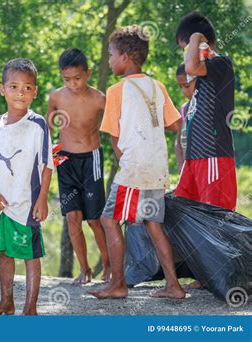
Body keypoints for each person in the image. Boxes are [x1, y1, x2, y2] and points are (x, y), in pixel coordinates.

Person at [90, 25, 185, 299]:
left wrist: (127, 165)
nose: (109, 60)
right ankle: (173, 285)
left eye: (111, 54)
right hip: (157, 169)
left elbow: (113, 137)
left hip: (134, 170)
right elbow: (176, 125)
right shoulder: (158, 86)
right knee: (153, 225)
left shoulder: (117, 90)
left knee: (109, 220)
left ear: (126, 56)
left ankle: (118, 284)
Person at [0, 58, 53, 315]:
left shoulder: (37, 124)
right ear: (2, 89)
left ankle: (31, 306)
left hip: (25, 203)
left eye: (27, 88)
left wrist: (42, 198)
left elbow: (47, 165)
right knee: (5, 252)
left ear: (35, 92)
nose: (21, 93)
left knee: (30, 254)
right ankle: (6, 301)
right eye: (14, 87)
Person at [47, 48, 110, 284]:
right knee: (72, 216)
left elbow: (116, 123)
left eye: (78, 78)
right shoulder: (56, 97)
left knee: (94, 219)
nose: (73, 84)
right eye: (67, 79)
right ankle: (84, 270)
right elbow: (48, 125)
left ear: (88, 73)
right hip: (64, 160)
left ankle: (108, 265)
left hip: (91, 159)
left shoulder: (99, 98)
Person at [174, 11, 237, 211]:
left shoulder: (221, 64)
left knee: (214, 220)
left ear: (202, 42)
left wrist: (195, 37)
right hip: (194, 160)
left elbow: (191, 67)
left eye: (187, 49)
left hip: (213, 157)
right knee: (187, 215)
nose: (186, 55)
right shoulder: (202, 76)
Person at [174, 63, 196, 172]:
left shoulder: (207, 106)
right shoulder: (184, 108)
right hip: (188, 167)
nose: (184, 91)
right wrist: (181, 164)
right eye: (180, 86)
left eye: (187, 86)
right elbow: (178, 142)